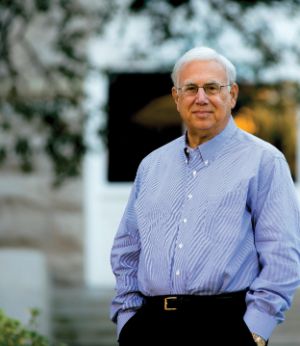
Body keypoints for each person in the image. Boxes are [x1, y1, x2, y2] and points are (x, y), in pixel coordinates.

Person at [110, 46, 300, 346]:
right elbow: (127, 250)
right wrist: (127, 320)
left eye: (212, 87)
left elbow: (282, 257)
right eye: (190, 88)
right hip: (148, 327)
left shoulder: (265, 162)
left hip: (225, 328)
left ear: (232, 95)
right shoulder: (152, 165)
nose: (201, 98)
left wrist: (255, 333)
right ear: (176, 97)